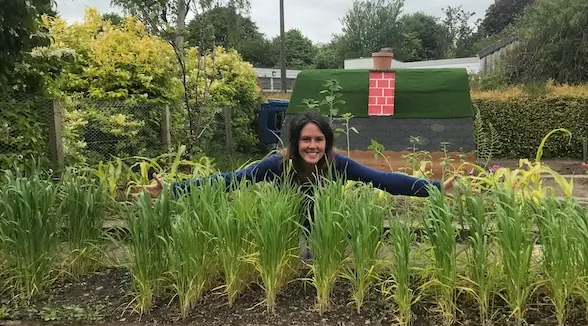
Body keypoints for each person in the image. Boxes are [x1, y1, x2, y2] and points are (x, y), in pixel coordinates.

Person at [135, 111, 457, 258]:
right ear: (296, 142)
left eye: (319, 139)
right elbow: (230, 181)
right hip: (285, 239)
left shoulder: (337, 165)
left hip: (327, 238)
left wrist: (435, 188)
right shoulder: (277, 165)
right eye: (306, 140)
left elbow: (384, 180)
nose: (312, 146)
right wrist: (172, 189)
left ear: (326, 143)